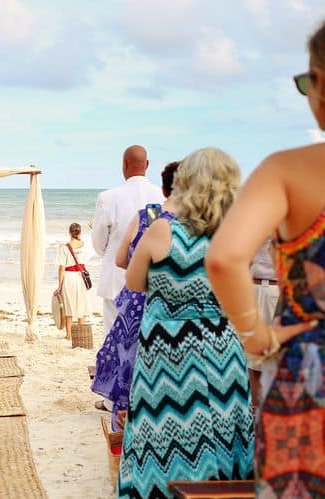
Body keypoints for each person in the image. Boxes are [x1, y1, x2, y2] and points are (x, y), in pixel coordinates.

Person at [206, 21, 325, 497]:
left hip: (309, 378)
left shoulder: (288, 171)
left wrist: (258, 336)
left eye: (305, 84)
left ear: (321, 82)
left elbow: (225, 258)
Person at [118, 148, 253, 498]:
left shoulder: (162, 230)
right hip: (223, 348)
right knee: (225, 430)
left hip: (169, 350)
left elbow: (133, 282)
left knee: (165, 433)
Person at [91, 161, 179, 426]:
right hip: (174, 301)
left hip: (132, 293)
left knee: (121, 348)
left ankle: (115, 407)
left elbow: (103, 246)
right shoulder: (198, 222)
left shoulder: (143, 213)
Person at [92, 145, 164, 335]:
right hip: (149, 277)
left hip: (115, 276)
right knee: (145, 336)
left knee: (112, 334)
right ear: (147, 165)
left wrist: (112, 252)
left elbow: (99, 243)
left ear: (124, 164)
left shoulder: (108, 197)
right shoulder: (159, 196)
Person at [247, 237, 279, 405]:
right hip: (258, 288)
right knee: (253, 359)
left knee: (263, 358)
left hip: (268, 288)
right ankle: (257, 414)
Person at [55, 223, 91, 340]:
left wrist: (59, 286)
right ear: (79, 233)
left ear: (69, 232)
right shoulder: (85, 246)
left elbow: (61, 268)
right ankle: (81, 334)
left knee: (69, 306)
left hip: (69, 277)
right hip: (81, 277)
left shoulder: (64, 248)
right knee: (82, 306)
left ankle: (69, 335)